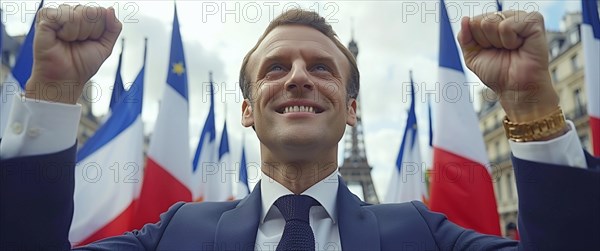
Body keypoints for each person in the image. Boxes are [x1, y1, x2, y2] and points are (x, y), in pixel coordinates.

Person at [0, 4, 598, 251]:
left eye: (321, 68)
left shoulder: (421, 233)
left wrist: (531, 105)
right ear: (247, 109)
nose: (298, 79)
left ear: (352, 108)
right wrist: (51, 96)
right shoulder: (176, 233)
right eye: (275, 69)